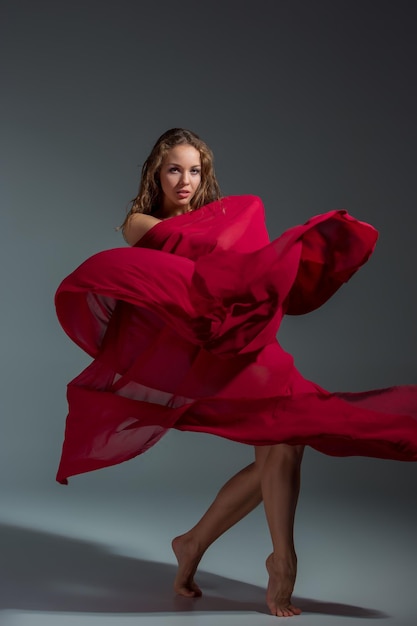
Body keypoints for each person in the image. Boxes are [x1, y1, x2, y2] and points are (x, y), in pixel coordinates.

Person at [55, 128, 417, 618]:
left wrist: (277, 257)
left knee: (290, 436)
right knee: (288, 438)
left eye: (195, 170)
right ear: (156, 174)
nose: (185, 180)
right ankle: (281, 561)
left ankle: (199, 544)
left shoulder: (221, 218)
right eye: (174, 170)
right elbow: (192, 279)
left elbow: (237, 273)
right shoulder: (140, 222)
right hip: (204, 358)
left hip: (247, 348)